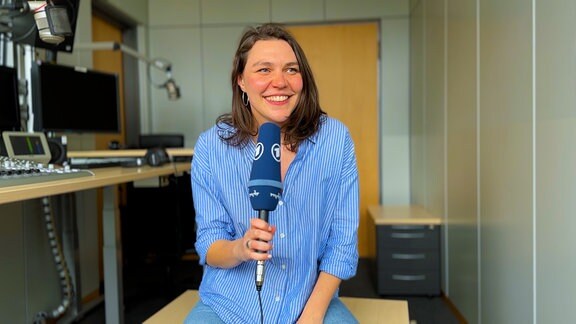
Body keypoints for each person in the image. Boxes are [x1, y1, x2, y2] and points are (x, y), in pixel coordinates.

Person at [185, 23, 360, 324]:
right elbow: (209, 244)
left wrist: (313, 315)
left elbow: (342, 244)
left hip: (309, 300)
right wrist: (240, 248)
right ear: (241, 81)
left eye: (291, 70)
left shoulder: (335, 140)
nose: (280, 82)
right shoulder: (210, 148)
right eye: (264, 70)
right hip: (229, 303)